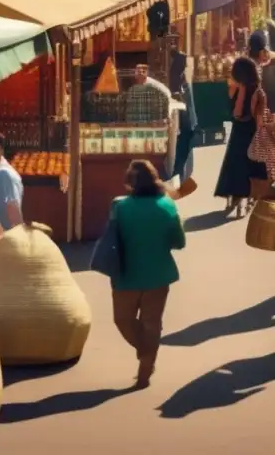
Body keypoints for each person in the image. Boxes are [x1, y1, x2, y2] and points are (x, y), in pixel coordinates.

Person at [110, 160, 186, 388]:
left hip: (126, 274)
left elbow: (111, 239)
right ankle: (146, 364)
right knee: (152, 323)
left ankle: (145, 356)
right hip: (159, 274)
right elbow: (179, 242)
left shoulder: (119, 207)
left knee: (122, 320)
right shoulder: (167, 205)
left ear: (130, 184)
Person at [214, 57, 268, 217]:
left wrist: (241, 89)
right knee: (249, 167)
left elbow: (237, 113)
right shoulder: (256, 90)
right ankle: (244, 200)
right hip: (250, 131)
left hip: (241, 131)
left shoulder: (242, 89)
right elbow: (253, 116)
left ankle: (235, 199)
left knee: (236, 165)